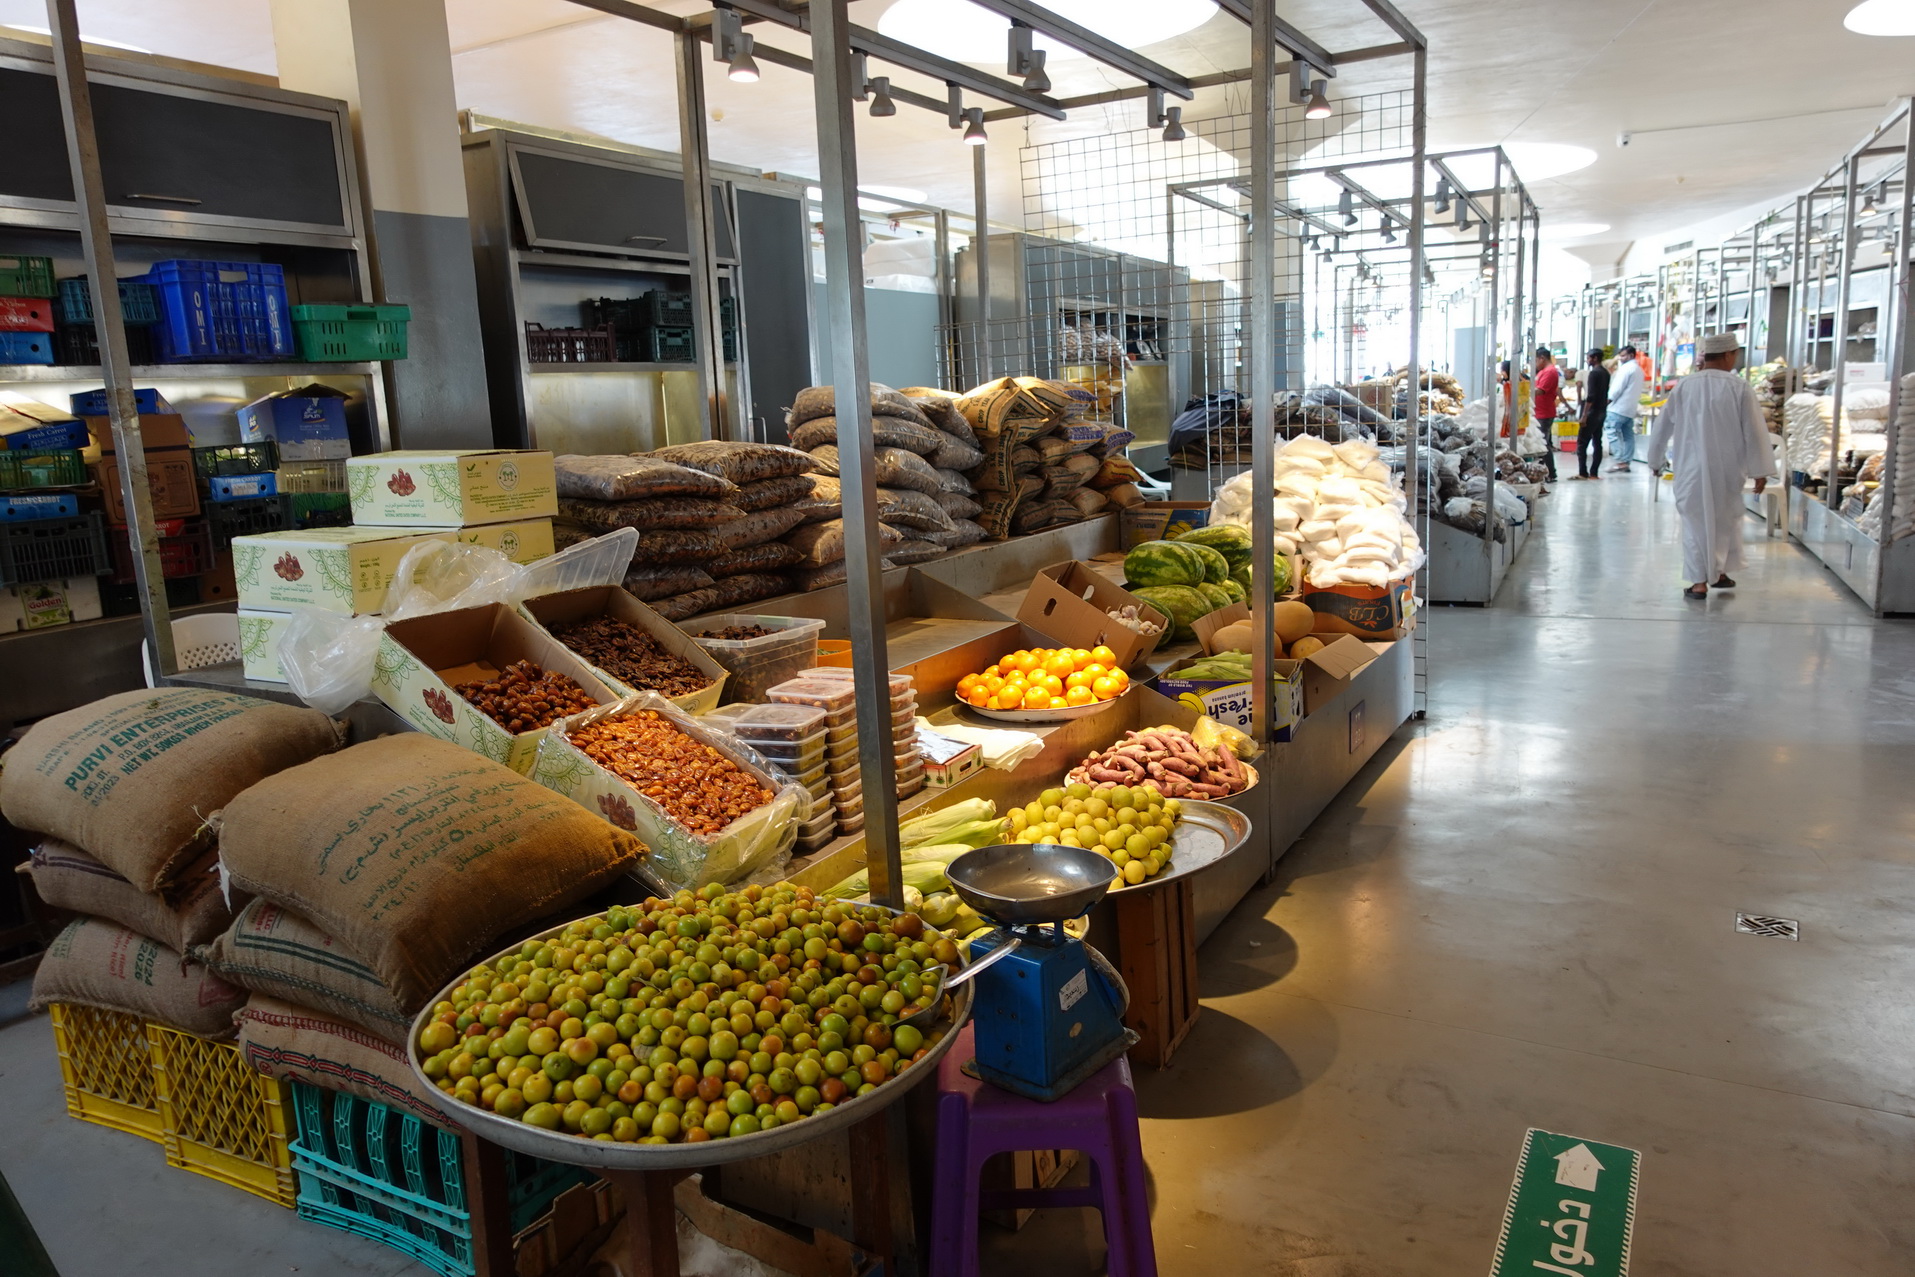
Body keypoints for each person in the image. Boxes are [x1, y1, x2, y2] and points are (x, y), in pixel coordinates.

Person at [1646, 331, 1773, 600]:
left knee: (1695, 522)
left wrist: (1655, 460)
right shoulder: (1739, 387)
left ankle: (1708, 578)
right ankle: (1708, 577)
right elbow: (1754, 430)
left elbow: (1662, 426)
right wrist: (1760, 470)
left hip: (1690, 469)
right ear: (1728, 355)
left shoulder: (1684, 386)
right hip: (1728, 469)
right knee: (1725, 520)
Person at [1607, 343, 1645, 471]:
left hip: (1618, 408)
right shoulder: (1639, 370)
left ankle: (1620, 460)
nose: (1620, 358)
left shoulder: (1626, 369)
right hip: (1630, 409)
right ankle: (1626, 461)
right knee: (1628, 436)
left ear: (1631, 355)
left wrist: (1608, 400)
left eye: (1623, 356)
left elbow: (1616, 389)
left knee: (1612, 432)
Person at [1573, 348, 1610, 479]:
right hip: (1601, 411)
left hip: (1592, 412)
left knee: (1582, 443)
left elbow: (1591, 396)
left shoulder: (1594, 373)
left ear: (1595, 358)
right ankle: (1594, 472)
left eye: (1588, 358)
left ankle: (1583, 472)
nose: (1587, 360)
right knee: (1597, 442)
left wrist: (1584, 415)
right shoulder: (1605, 373)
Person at [1532, 346, 1561, 482]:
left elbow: (1540, 390)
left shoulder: (1550, 372)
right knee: (1542, 442)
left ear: (1542, 358)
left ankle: (1551, 473)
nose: (1535, 364)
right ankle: (1543, 471)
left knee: (1543, 444)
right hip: (1540, 411)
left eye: (1535, 360)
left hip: (1544, 413)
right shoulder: (1544, 371)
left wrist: (1523, 392)